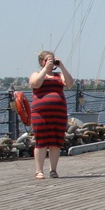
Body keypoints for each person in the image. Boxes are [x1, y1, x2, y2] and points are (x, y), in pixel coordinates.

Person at [29, 50, 73, 179]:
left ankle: (53, 170)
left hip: (58, 113)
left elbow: (69, 83)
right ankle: (39, 170)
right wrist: (45, 69)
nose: (51, 62)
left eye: (52, 59)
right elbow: (35, 83)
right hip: (40, 113)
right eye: (48, 59)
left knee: (56, 141)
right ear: (42, 61)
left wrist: (62, 66)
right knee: (41, 141)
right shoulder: (36, 74)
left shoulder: (58, 75)